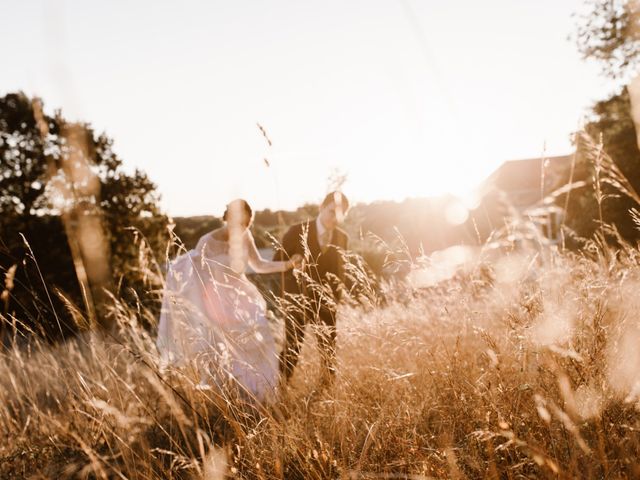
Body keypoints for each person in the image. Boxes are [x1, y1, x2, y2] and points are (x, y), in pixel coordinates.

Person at [157, 199, 302, 404]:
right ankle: (233, 399)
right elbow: (200, 280)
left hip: (243, 299)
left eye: (247, 224)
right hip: (217, 301)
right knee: (227, 353)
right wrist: (209, 311)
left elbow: (259, 264)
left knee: (260, 344)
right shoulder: (207, 241)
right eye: (240, 223)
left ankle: (262, 395)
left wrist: (287, 264)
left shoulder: (245, 236)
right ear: (228, 219)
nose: (242, 228)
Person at [275, 191, 350, 384]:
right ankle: (281, 386)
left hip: (327, 302)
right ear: (321, 208)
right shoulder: (296, 231)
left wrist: (336, 298)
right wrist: (292, 262)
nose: (335, 218)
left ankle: (327, 388)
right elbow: (276, 263)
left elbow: (340, 272)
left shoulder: (342, 238)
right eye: (332, 211)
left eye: (341, 214)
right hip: (297, 300)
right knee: (293, 346)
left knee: (328, 347)